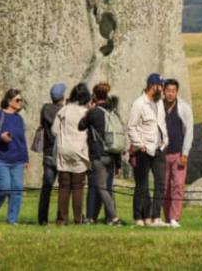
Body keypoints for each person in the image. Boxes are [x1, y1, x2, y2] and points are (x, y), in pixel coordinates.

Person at [127, 73, 169, 227]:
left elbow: (162, 123)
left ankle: (155, 217)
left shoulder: (158, 103)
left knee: (160, 183)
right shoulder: (139, 104)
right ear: (153, 86)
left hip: (159, 148)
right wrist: (140, 145)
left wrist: (165, 141)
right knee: (142, 185)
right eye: (161, 86)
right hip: (144, 150)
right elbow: (131, 127)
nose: (163, 89)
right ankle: (139, 217)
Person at [0, 88, 28, 224]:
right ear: (9, 101)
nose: (20, 102)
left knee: (17, 190)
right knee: (3, 187)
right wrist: (0, 136)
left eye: (21, 100)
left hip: (17, 161)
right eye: (17, 100)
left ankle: (12, 220)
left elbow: (22, 140)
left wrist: (26, 158)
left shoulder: (19, 119)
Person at [81, 82, 122, 225]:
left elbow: (81, 126)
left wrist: (88, 111)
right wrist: (118, 163)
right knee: (107, 187)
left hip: (98, 155)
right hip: (111, 154)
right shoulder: (113, 112)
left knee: (99, 188)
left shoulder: (94, 113)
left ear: (94, 96)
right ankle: (108, 218)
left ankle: (112, 218)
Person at [52, 82, 91, 225]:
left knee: (64, 186)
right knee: (78, 186)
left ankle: (61, 219)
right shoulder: (85, 113)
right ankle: (78, 218)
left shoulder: (64, 110)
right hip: (80, 151)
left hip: (64, 149)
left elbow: (54, 130)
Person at [160, 77, 193, 228]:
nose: (170, 94)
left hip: (178, 153)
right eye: (168, 91)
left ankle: (175, 218)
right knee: (164, 187)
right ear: (164, 91)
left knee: (178, 186)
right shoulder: (158, 106)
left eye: (173, 91)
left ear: (177, 92)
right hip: (162, 154)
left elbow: (189, 131)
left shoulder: (183, 107)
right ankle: (167, 218)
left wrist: (185, 153)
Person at [37, 82, 66, 225]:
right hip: (63, 152)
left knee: (46, 187)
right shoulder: (65, 111)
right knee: (64, 187)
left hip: (48, 151)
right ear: (63, 96)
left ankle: (42, 219)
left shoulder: (45, 109)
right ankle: (62, 218)